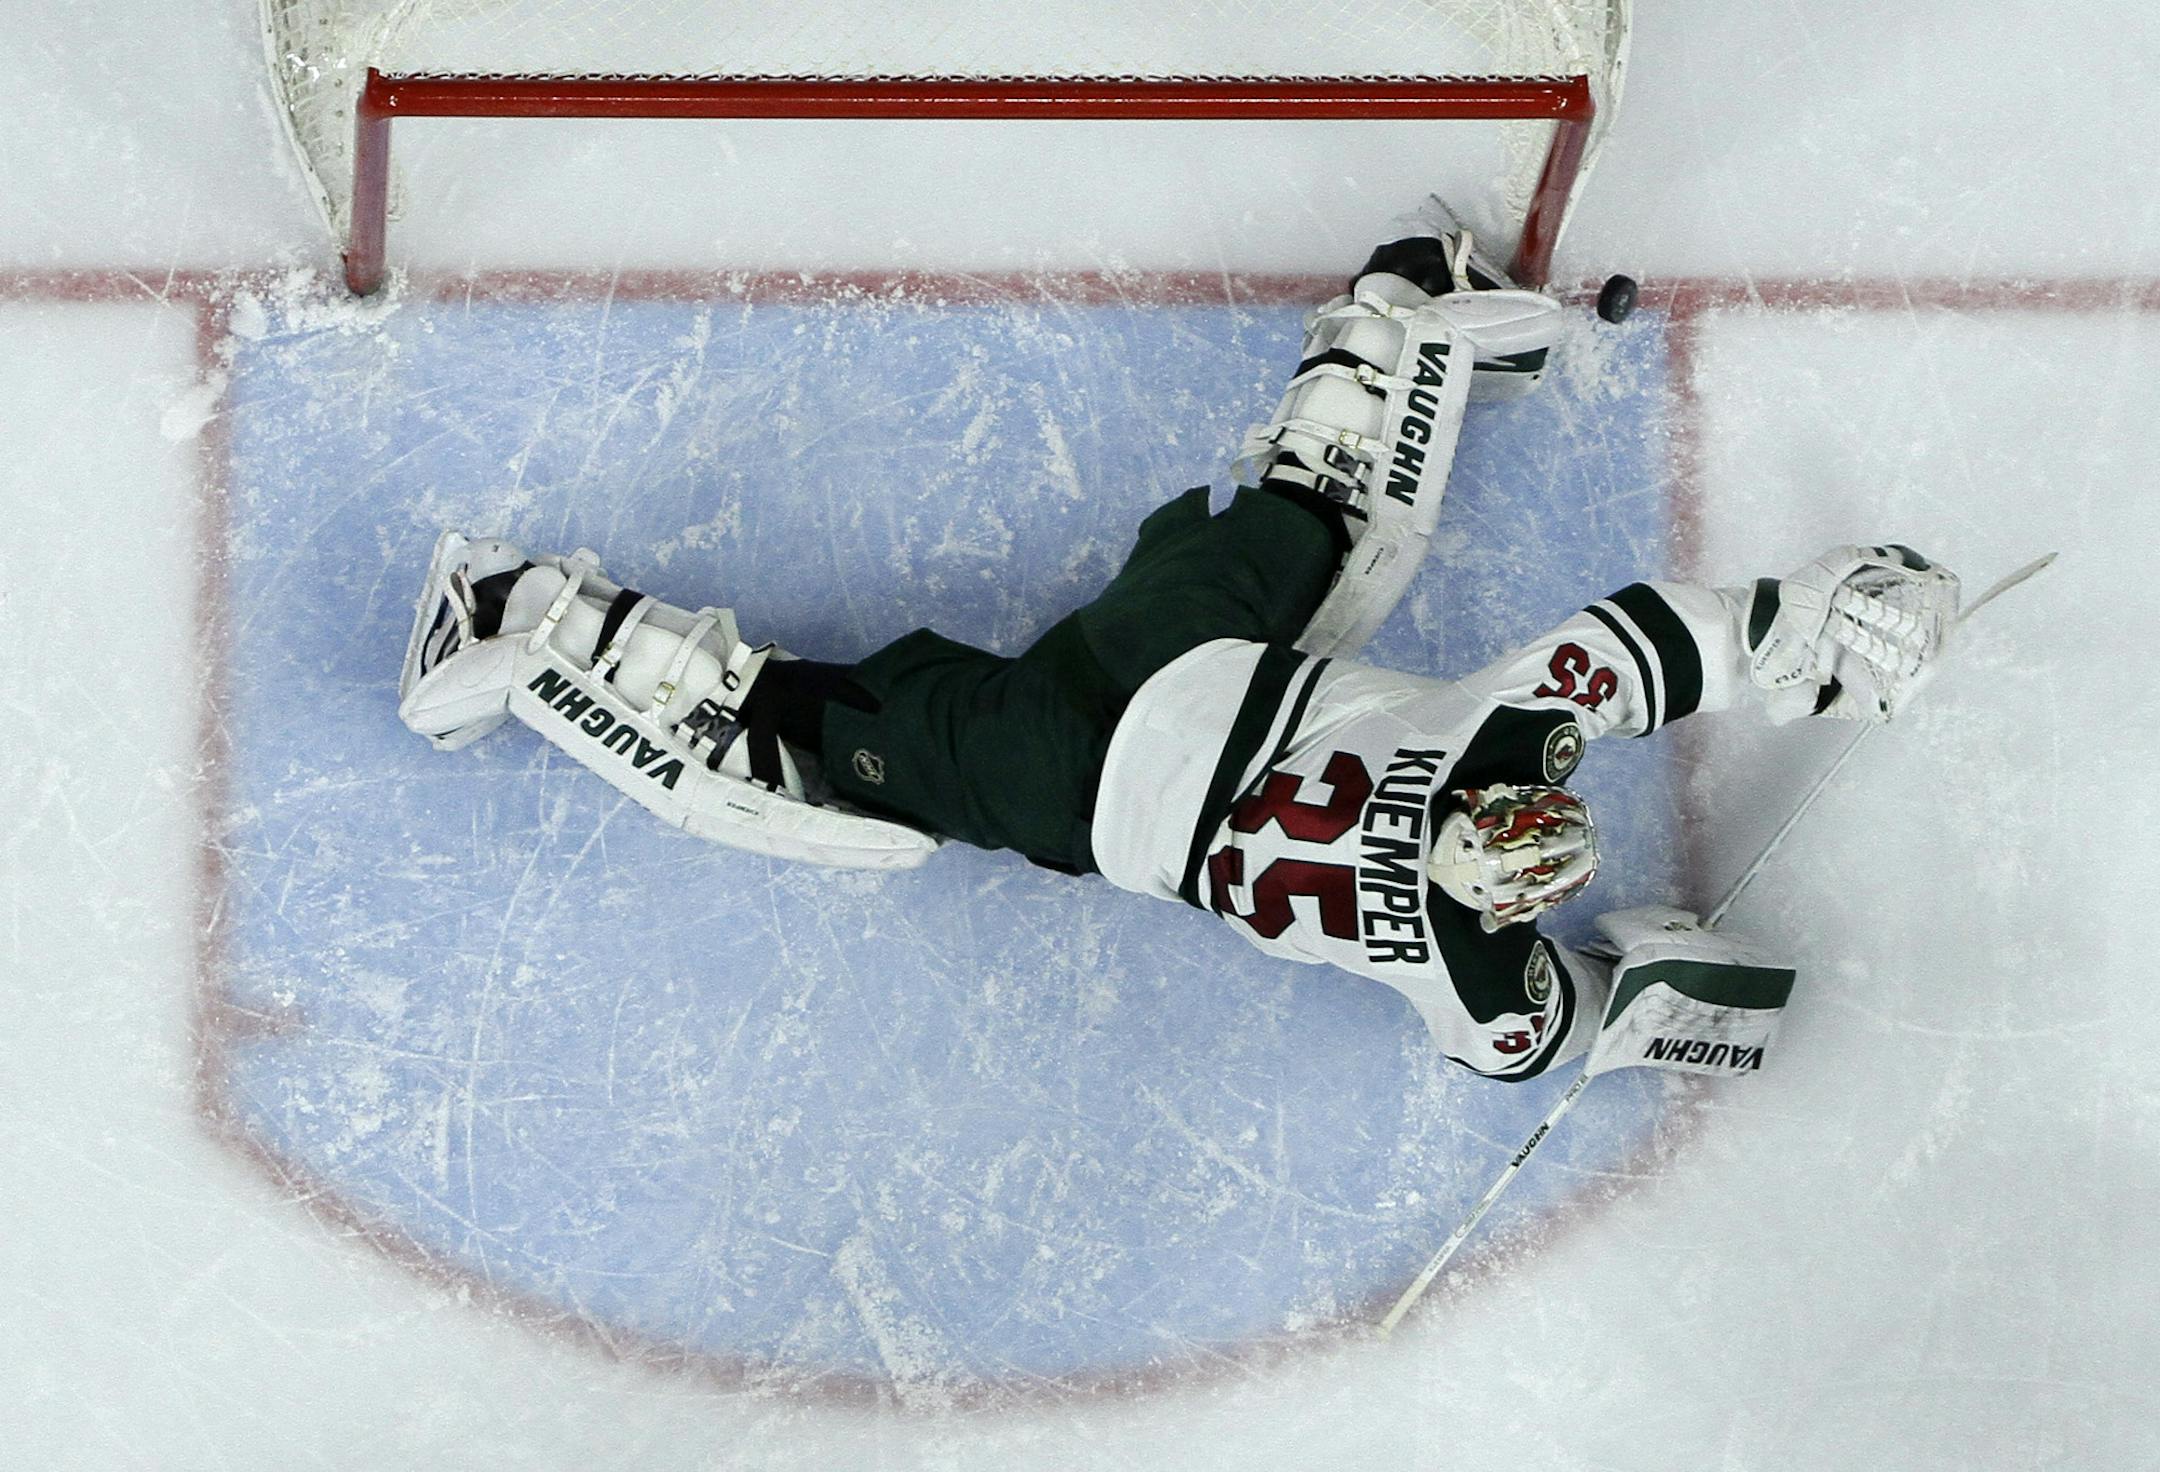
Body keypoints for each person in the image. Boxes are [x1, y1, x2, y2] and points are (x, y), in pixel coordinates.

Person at [396, 204, 1961, 1083]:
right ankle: (526, 620)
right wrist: (1662, 1001)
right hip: (1075, 788)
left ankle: (1400, 303)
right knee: (810, 742)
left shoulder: (1501, 736)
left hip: (1187, 656)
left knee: (1313, 520)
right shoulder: (1470, 966)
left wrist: (1816, 628)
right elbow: (1551, 1037)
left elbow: (1649, 643)